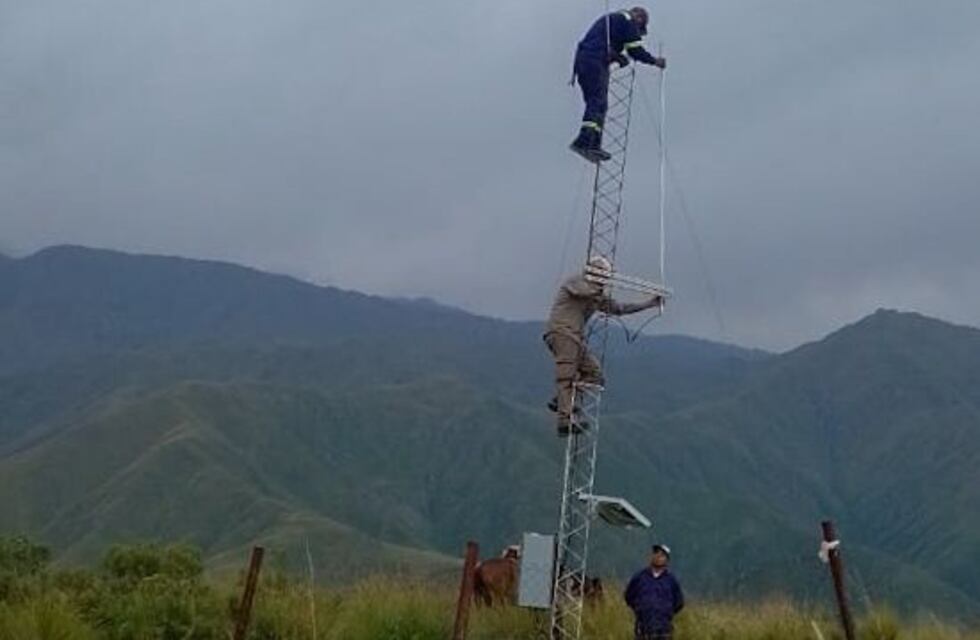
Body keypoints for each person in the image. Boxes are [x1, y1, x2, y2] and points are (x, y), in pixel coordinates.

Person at [543, 255, 662, 436]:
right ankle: (564, 420)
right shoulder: (576, 282)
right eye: (604, 276)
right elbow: (583, 292)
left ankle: (562, 401)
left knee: (594, 373)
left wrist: (649, 304)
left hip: (575, 338)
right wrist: (600, 288)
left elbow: (619, 308)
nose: (605, 281)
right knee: (566, 376)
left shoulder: (594, 293)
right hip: (562, 333)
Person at [570, 6, 667, 162]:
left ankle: (593, 143)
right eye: (639, 28)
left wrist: (617, 57)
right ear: (639, 18)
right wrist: (655, 61)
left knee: (599, 104)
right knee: (597, 101)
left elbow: (603, 45)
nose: (637, 31)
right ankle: (584, 141)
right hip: (593, 62)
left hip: (587, 61)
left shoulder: (615, 21)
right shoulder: (627, 20)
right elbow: (635, 50)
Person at [624, 544, 685, 640]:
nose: (658, 557)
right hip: (643, 625)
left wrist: (666, 612)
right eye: (656, 553)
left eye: (662, 555)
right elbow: (629, 596)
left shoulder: (671, 581)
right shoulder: (640, 577)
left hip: (663, 627)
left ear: (666, 560)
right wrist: (640, 609)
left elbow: (679, 603)